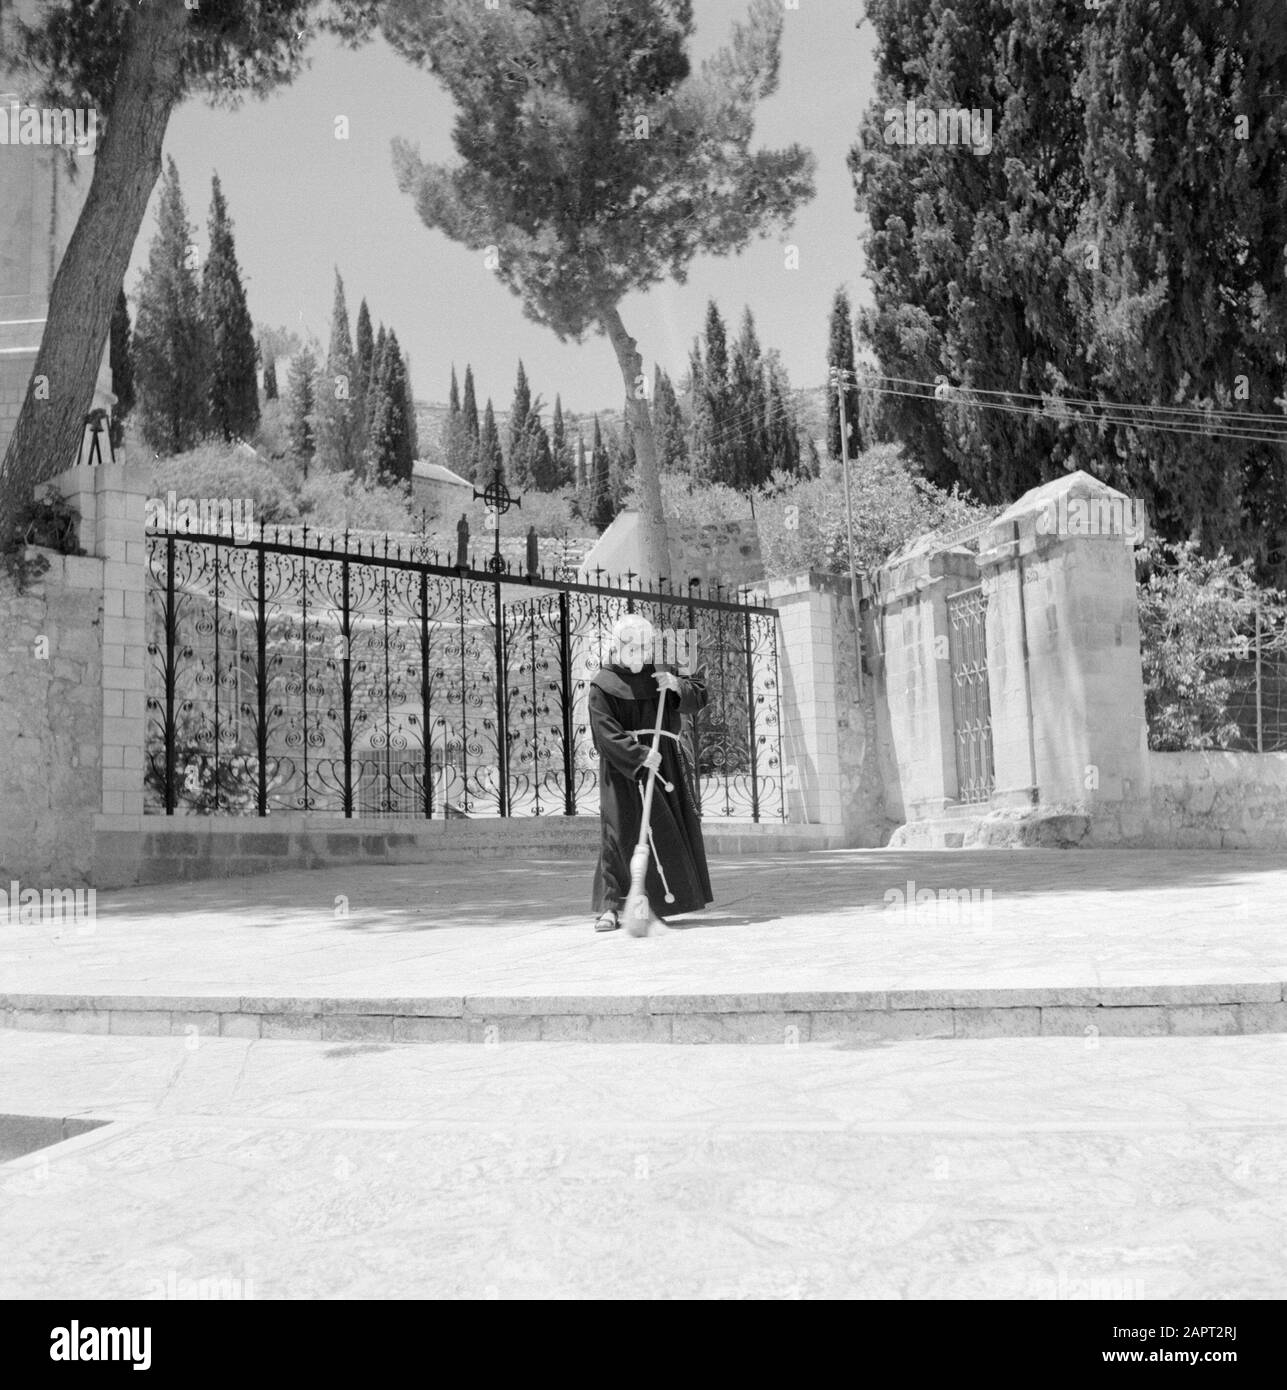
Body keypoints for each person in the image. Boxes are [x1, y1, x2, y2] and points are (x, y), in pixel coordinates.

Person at [588, 613, 713, 933]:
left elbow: (698, 694)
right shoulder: (603, 683)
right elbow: (605, 733)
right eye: (631, 646)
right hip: (624, 767)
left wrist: (675, 686)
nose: (639, 652)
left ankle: (661, 903)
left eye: (644, 646)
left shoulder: (662, 670)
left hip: (665, 761)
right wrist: (640, 755)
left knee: (665, 829)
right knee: (619, 833)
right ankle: (612, 906)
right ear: (617, 646)